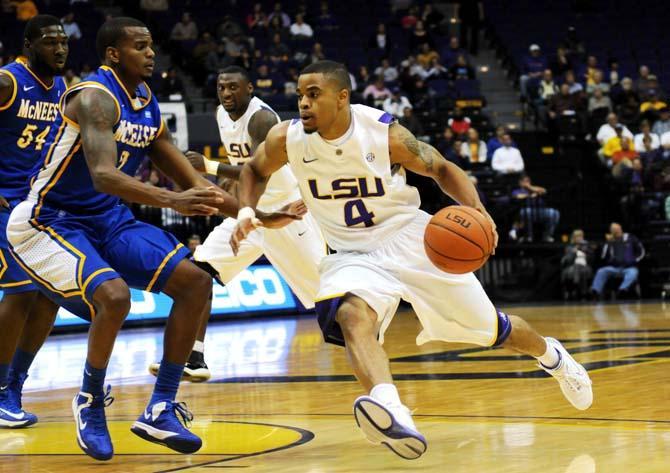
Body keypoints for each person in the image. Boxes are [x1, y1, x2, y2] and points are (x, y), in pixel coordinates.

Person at [230, 60, 593, 460]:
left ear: (342, 96)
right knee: (351, 315)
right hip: (352, 252)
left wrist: (479, 212)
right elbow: (253, 170)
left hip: (411, 240)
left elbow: (441, 168)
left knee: (492, 329)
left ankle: (553, 357)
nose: (303, 104)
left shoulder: (384, 134)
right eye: (299, 95)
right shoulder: (287, 138)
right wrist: (247, 212)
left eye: (313, 94)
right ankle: (391, 407)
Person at [6, 18, 301, 461]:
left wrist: (253, 213)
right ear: (113, 55)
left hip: (106, 218)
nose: (150, 53)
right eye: (140, 46)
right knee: (115, 296)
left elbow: (192, 180)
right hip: (50, 219)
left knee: (196, 282)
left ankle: (160, 407)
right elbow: (104, 175)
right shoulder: (94, 98)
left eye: (151, 46)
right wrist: (173, 199)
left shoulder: (144, 103)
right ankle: (88, 400)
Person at [148, 66, 326, 381]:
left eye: (233, 88)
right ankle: (193, 358)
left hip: (286, 214)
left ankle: (371, 327)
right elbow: (243, 174)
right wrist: (231, 205)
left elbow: (259, 170)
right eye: (222, 88)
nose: (227, 94)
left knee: (327, 295)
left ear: (250, 89)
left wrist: (210, 166)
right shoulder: (220, 114)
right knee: (198, 272)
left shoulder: (262, 119)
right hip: (249, 213)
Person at [0, 15, 68, 429]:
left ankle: (13, 388)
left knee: (50, 294)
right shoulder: (8, 82)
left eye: (63, 42)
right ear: (28, 44)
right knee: (23, 291)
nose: (59, 49)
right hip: (4, 204)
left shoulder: (62, 89)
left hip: (37, 209)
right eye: (49, 42)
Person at [591, 223, 645, 299]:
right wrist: (607, 243)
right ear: (611, 231)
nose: (617, 231)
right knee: (601, 271)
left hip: (629, 267)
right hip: (614, 267)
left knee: (633, 273)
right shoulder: (610, 241)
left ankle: (622, 290)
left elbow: (641, 251)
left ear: (621, 228)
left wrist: (635, 260)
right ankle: (595, 291)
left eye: (618, 229)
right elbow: (603, 256)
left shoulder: (630, 238)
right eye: (614, 230)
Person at [512, 174, 560, 242]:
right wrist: (531, 195)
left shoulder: (534, 188)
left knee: (554, 213)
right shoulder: (517, 191)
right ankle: (529, 236)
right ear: (520, 183)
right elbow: (517, 197)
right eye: (525, 181)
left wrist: (530, 188)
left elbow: (544, 191)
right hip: (527, 211)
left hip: (540, 211)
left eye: (528, 181)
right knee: (525, 212)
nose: (527, 183)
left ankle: (547, 235)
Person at [561, 229, 593, 300]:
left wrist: (585, 251)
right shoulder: (569, 247)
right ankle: (583, 292)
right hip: (571, 267)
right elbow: (567, 261)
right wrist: (574, 252)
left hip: (585, 266)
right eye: (577, 236)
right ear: (574, 238)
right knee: (578, 267)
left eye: (581, 236)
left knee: (582, 269)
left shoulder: (586, 246)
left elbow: (592, 259)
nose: (579, 238)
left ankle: (575, 285)